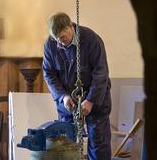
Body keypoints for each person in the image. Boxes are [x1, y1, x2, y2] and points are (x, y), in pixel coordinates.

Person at [42, 12, 111, 160]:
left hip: (96, 99)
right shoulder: (51, 44)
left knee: (98, 143)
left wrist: (91, 100)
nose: (59, 43)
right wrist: (62, 96)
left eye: (62, 38)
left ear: (70, 27)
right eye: (56, 40)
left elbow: (101, 73)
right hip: (69, 103)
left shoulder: (92, 40)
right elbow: (49, 74)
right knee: (67, 145)